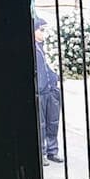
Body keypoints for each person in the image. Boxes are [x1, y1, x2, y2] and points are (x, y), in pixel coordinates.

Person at [33, 17, 63, 164]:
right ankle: (42, 153)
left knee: (53, 122)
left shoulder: (48, 46)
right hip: (41, 91)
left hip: (52, 90)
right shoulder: (34, 49)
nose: (43, 33)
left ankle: (52, 151)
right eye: (41, 30)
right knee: (41, 124)